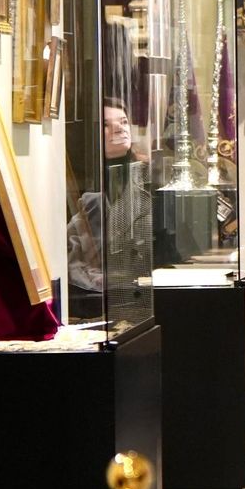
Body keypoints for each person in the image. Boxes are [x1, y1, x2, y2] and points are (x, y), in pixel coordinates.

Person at [66, 99, 152, 322]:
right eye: (107, 124)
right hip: (94, 302)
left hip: (139, 296)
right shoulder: (82, 187)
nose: (119, 129)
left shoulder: (147, 176)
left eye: (123, 121)